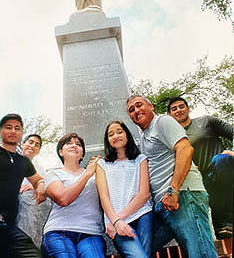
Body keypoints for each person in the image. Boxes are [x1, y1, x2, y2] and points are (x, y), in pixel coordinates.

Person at [126, 95, 218, 258]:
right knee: (139, 247)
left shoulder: (162, 122)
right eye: (131, 110)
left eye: (139, 105)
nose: (136, 111)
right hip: (164, 205)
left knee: (201, 254)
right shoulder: (144, 136)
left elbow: (185, 149)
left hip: (183, 197)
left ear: (151, 106)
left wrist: (174, 190)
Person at [168, 96, 234, 238]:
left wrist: (233, 152)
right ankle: (223, 230)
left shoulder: (206, 121)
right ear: (170, 115)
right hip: (202, 179)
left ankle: (229, 220)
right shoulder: (173, 138)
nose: (178, 110)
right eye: (174, 109)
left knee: (221, 160)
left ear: (188, 108)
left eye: (181, 106)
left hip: (223, 166)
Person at [0, 113, 46, 258]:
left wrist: (41, 185)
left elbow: (38, 179)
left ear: (21, 133)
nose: (13, 131)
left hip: (9, 227)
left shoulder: (23, 161)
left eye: (17, 128)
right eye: (8, 127)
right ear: (0, 132)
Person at [41, 133, 105, 258]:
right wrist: (87, 174)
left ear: (82, 154)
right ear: (60, 152)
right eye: (68, 143)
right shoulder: (53, 173)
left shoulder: (95, 175)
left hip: (91, 233)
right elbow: (63, 199)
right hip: (59, 232)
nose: (74, 146)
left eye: (78, 144)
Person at [96, 121, 153, 258]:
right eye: (111, 134)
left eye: (119, 132)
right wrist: (116, 222)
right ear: (107, 140)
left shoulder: (140, 159)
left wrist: (117, 219)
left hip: (142, 214)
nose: (115, 136)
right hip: (115, 220)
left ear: (127, 135)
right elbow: (104, 197)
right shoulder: (102, 164)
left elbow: (143, 194)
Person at [16, 134, 51, 249]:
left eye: (37, 145)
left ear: (39, 151)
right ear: (22, 144)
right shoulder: (11, 162)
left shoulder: (39, 169)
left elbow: (45, 189)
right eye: (30, 142)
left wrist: (35, 187)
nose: (32, 146)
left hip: (34, 210)